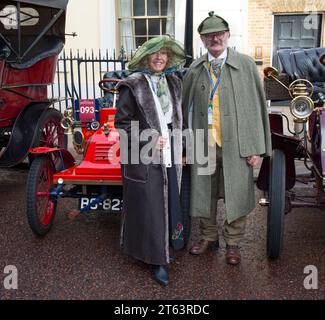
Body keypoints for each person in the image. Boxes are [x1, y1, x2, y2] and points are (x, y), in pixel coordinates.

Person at [182, 12, 271, 265]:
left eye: (219, 33)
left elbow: (256, 108)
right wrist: (187, 147)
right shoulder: (195, 68)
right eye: (209, 35)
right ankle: (208, 236)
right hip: (203, 142)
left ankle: (233, 243)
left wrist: (257, 147)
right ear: (202, 39)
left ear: (228, 35)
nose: (215, 38)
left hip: (238, 144)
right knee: (204, 192)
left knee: (236, 192)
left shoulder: (245, 65)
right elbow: (184, 109)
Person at [114, 35, 186, 286]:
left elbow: (178, 120)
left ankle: (166, 247)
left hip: (170, 155)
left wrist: (183, 148)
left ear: (169, 58)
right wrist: (149, 139)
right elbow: (121, 125)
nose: (159, 58)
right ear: (145, 57)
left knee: (168, 204)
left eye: (164, 53)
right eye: (154, 54)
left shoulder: (175, 83)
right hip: (144, 158)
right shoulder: (131, 85)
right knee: (151, 209)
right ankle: (157, 261)